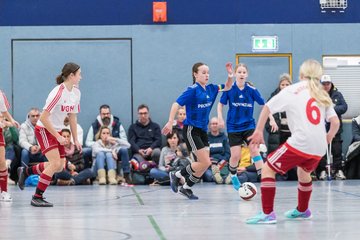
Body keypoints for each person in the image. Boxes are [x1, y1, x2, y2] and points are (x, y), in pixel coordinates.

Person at [245, 59, 339, 224]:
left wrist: (259, 130)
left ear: (301, 74)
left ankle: (268, 214)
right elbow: (335, 122)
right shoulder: (321, 93)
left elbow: (267, 107)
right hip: (319, 147)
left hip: (301, 142)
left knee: (267, 168)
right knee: (303, 173)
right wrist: (328, 138)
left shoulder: (292, 90)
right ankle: (303, 210)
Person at [162, 62, 233, 199]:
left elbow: (228, 86)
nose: (207, 75)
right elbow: (176, 104)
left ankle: (186, 187)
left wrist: (230, 74)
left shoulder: (212, 89)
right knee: (206, 163)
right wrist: (171, 122)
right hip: (191, 130)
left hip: (202, 130)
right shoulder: (192, 90)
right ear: (195, 74)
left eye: (208, 72)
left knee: (203, 165)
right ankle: (176, 174)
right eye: (203, 72)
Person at [17, 62, 82, 207]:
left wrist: (76, 139)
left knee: (59, 167)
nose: (81, 77)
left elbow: (73, 116)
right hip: (44, 129)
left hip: (57, 131)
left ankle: (26, 171)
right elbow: (44, 118)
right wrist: (58, 136)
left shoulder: (76, 93)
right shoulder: (57, 92)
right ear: (71, 76)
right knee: (54, 164)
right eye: (79, 74)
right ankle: (37, 196)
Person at [217, 63, 265, 191]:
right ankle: (233, 175)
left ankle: (263, 177)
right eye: (239, 72)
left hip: (249, 125)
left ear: (247, 74)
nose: (242, 74)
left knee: (254, 150)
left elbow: (264, 105)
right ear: (236, 74)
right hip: (233, 127)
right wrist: (220, 118)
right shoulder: (230, 89)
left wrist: (271, 120)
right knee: (235, 156)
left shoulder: (252, 90)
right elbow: (220, 105)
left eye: (244, 72)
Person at [85, 104, 132, 183]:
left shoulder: (117, 124)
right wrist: (100, 144)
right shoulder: (94, 125)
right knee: (88, 152)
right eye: (104, 114)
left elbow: (127, 143)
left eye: (108, 114)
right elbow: (88, 142)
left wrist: (114, 140)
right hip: (100, 148)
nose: (106, 116)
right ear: (100, 114)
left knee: (123, 150)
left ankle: (125, 175)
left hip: (113, 147)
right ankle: (88, 176)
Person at [265, 74, 297, 181]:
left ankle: (292, 175)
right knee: (276, 154)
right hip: (278, 132)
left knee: (291, 155)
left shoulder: (295, 97)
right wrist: (272, 123)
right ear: (279, 86)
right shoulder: (274, 97)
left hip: (291, 132)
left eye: (287, 84)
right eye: (282, 84)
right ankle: (278, 175)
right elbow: (267, 111)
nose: (285, 86)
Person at [317, 74, 348, 180]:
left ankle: (338, 170)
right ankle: (322, 170)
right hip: (322, 128)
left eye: (328, 84)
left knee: (337, 149)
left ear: (331, 84)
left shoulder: (337, 94)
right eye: (324, 84)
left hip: (335, 128)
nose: (326, 86)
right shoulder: (317, 95)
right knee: (322, 150)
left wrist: (332, 110)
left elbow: (344, 107)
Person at [0, 90, 19, 202]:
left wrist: (12, 120)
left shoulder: (1, 94)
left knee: (2, 162)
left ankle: (4, 192)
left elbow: (4, 110)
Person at [207, 117, 230, 184]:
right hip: (210, 164)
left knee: (224, 172)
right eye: (212, 124)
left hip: (222, 163)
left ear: (219, 125)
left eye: (216, 123)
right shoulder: (206, 137)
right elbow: (205, 154)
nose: (214, 125)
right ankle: (219, 178)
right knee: (208, 176)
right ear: (209, 126)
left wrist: (220, 163)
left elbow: (228, 153)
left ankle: (223, 178)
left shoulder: (224, 137)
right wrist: (212, 163)